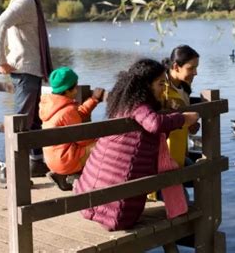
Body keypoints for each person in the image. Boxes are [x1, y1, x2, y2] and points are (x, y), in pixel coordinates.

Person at [74, 59, 199, 231]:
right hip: (117, 214)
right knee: (198, 172)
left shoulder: (124, 105)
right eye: (160, 84)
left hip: (88, 201)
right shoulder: (139, 106)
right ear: (145, 86)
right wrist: (184, 118)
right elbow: (154, 124)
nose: (164, 89)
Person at [0, 0, 53, 187]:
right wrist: (1, 60)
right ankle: (6, 168)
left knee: (34, 121)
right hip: (25, 69)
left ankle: (36, 162)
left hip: (32, 70)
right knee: (20, 121)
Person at [39, 67, 105, 191]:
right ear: (68, 90)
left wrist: (93, 100)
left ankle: (65, 176)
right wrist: (99, 138)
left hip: (51, 160)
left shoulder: (50, 105)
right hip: (65, 160)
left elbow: (76, 115)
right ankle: (79, 178)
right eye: (75, 86)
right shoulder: (67, 111)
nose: (76, 89)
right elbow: (83, 140)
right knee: (103, 145)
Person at [162, 45, 200, 169]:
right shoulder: (161, 89)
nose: (195, 72)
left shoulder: (184, 88)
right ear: (175, 67)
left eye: (196, 68)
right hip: (163, 158)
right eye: (191, 68)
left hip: (179, 155)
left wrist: (189, 125)